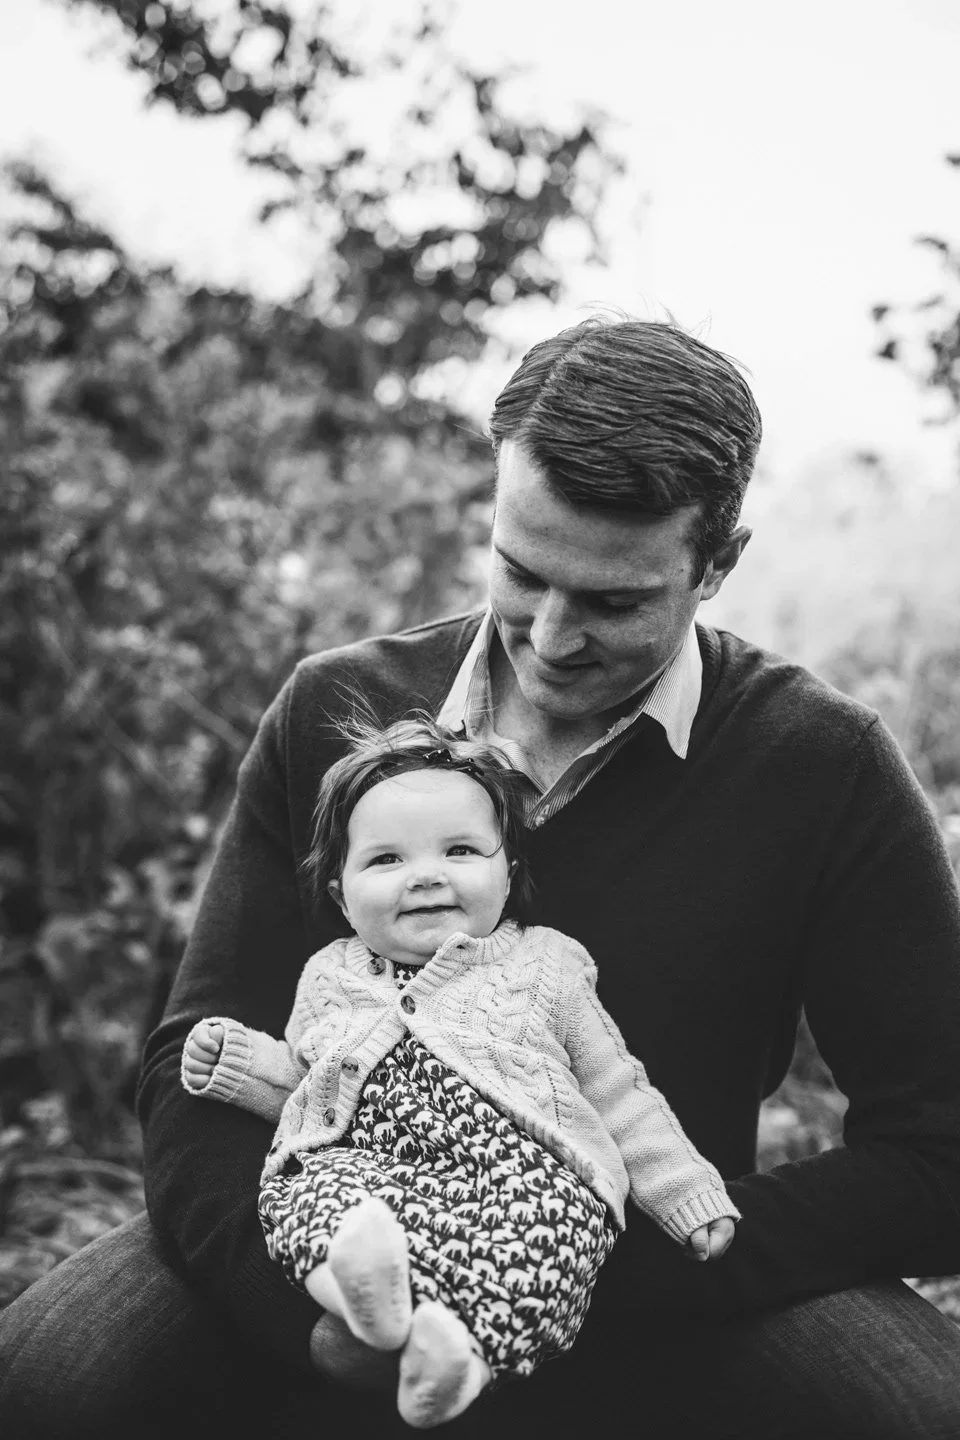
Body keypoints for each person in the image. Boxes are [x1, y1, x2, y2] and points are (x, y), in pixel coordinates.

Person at [3, 316, 960, 1440]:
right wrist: (318, 1316)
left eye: (614, 602)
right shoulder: (334, 707)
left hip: (650, 1263)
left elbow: (937, 1151)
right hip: (330, 1240)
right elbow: (195, 1057)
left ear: (718, 563)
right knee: (49, 1381)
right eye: (520, 571)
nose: (549, 640)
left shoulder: (821, 765)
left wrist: (590, 1273)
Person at [179, 716, 739, 1428]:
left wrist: (685, 1190)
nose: (426, 875)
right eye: (386, 861)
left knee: (555, 1239)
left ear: (508, 874)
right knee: (306, 1193)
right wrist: (234, 1061)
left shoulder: (545, 963)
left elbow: (618, 1090)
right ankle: (368, 1299)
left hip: (524, 1171)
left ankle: (454, 1365)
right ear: (341, 893)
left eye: (461, 850)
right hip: (372, 1164)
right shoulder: (329, 974)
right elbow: (307, 1083)